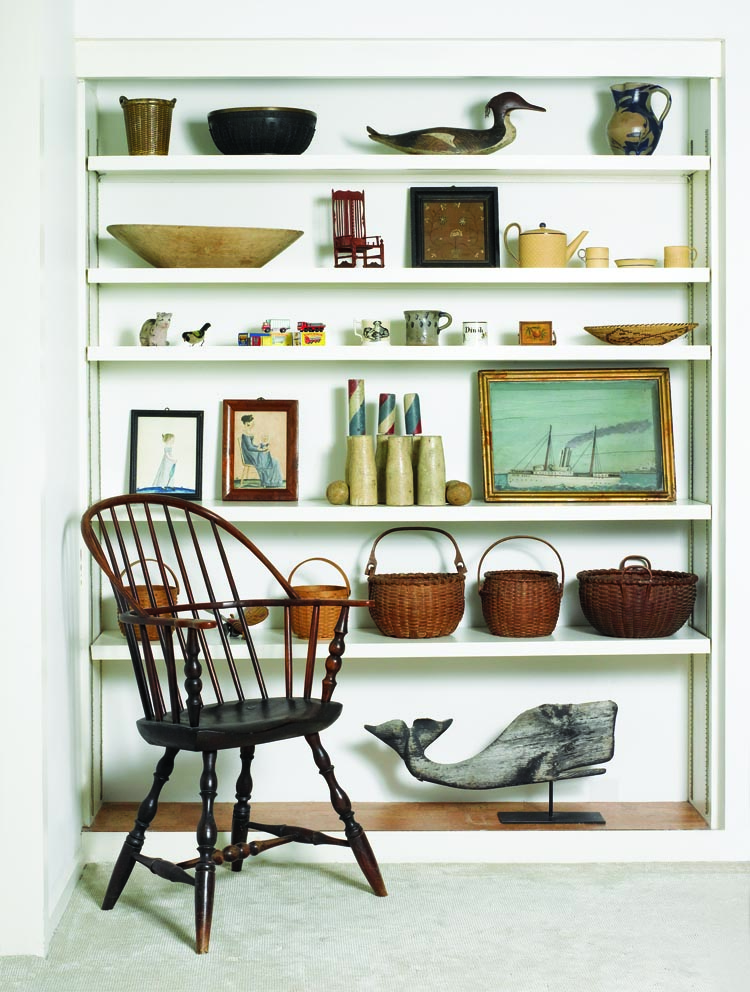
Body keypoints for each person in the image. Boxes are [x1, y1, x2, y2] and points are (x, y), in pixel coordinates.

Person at [239, 414, 283, 487]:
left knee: (274, 461)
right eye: (252, 422)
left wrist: (259, 446)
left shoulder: (248, 431)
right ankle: (267, 482)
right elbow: (249, 447)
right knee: (266, 460)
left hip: (252, 452)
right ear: (247, 423)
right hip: (249, 455)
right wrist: (260, 449)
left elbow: (251, 445)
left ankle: (272, 482)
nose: (253, 424)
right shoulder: (245, 433)